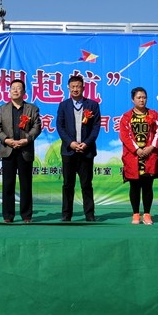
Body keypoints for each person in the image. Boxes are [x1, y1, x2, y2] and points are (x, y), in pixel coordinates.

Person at [0, 79, 42, 223]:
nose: (15, 90)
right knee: (8, 184)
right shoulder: (3, 109)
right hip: (8, 150)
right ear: (9, 91)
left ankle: (26, 215)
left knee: (25, 184)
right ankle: (8, 216)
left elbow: (37, 127)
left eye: (18, 88)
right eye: (13, 88)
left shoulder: (32, 109)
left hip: (25, 150)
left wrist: (26, 140)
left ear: (24, 92)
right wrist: (6, 140)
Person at [56, 75, 101, 222]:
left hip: (86, 151)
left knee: (86, 184)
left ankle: (89, 214)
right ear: (68, 88)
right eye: (73, 87)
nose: (75, 89)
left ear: (83, 88)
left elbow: (96, 127)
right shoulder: (63, 105)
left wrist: (86, 143)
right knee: (68, 185)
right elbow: (60, 127)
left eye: (78, 86)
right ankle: (66, 214)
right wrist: (71, 143)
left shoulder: (92, 105)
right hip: (69, 151)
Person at [119, 87, 158, 225]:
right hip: (133, 156)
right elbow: (125, 136)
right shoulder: (126, 117)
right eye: (139, 97)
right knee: (134, 186)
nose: (142, 100)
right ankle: (136, 214)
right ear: (133, 99)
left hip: (149, 156)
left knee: (147, 186)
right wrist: (136, 149)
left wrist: (151, 147)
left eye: (144, 97)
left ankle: (147, 214)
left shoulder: (153, 115)